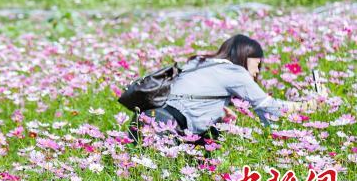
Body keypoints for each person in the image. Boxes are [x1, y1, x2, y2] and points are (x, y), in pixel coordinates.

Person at [129, 35, 328, 143]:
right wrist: (309, 105)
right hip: (167, 126)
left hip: (142, 117)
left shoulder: (198, 62)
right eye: (257, 64)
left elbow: (192, 99)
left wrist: (219, 115)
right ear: (250, 58)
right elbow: (270, 107)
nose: (257, 70)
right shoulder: (235, 72)